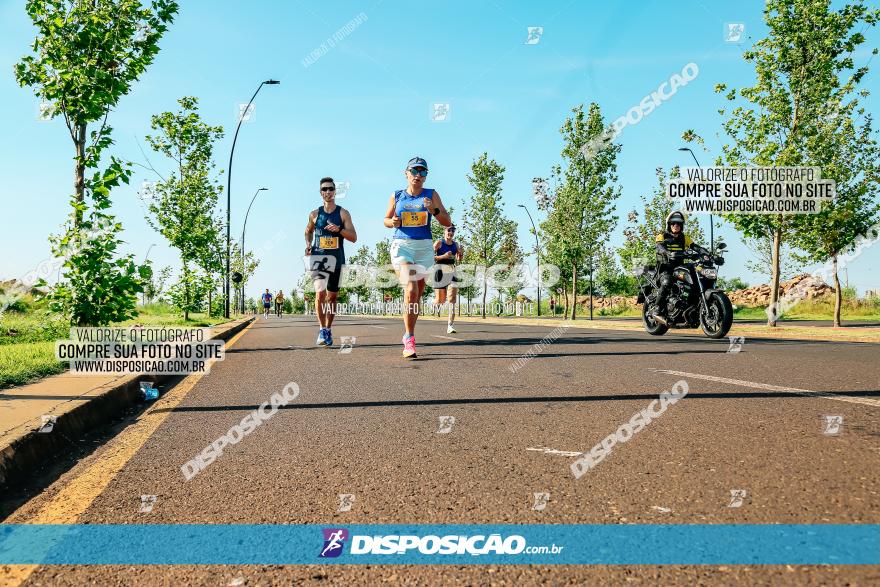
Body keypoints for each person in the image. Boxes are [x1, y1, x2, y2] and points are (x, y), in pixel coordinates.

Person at [384, 156, 452, 358]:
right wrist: (392, 222)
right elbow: (386, 219)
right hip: (402, 245)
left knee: (416, 294)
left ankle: (408, 331)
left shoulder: (431, 194)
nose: (418, 175)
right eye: (414, 171)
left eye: (423, 172)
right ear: (406, 173)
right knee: (411, 287)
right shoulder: (397, 196)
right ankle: (409, 338)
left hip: (423, 248)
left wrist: (433, 209)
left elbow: (446, 220)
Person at [305, 177, 357, 346]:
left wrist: (339, 230)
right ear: (321, 193)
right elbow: (308, 231)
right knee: (320, 293)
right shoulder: (314, 214)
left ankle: (328, 328)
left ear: (335, 192)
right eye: (324, 189)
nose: (328, 192)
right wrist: (308, 244)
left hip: (336, 258)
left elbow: (354, 237)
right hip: (318, 257)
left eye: (330, 189)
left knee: (332, 297)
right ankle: (321, 329)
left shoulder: (343, 213)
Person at [652, 210, 718, 326]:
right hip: (665, 268)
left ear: (681, 226)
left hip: (679, 267)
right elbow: (659, 247)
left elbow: (696, 247)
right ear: (669, 225)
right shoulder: (662, 236)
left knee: (695, 275)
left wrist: (708, 254)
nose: (676, 226)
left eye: (678, 224)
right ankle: (657, 308)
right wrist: (667, 253)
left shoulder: (685, 238)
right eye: (673, 223)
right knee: (667, 282)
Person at [432, 225, 463, 333]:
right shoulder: (438, 243)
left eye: (453, 230)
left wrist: (460, 253)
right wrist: (443, 256)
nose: (451, 232)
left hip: (451, 270)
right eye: (449, 230)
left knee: (452, 299)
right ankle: (434, 303)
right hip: (439, 270)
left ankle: (450, 325)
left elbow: (459, 258)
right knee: (440, 300)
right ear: (444, 231)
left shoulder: (456, 244)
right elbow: (430, 257)